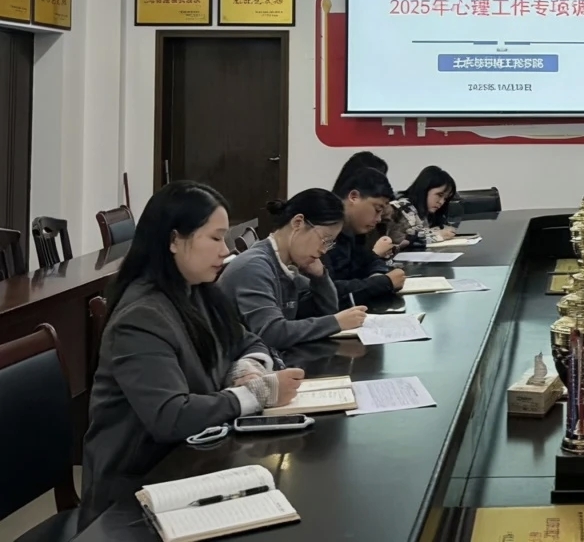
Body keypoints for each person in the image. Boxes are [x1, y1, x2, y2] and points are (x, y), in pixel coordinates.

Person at [80, 182, 305, 527]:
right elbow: (170, 416)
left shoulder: (196, 291)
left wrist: (247, 368)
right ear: (174, 240)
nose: (225, 250)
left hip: (194, 463)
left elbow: (248, 341)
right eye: (215, 238)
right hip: (135, 495)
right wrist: (257, 393)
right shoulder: (141, 317)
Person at [217, 188, 369, 349]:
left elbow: (326, 311)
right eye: (325, 239)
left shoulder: (287, 266)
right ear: (298, 223)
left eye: (329, 244)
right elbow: (271, 334)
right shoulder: (254, 267)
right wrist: (336, 322)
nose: (324, 250)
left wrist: (320, 278)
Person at [325, 167, 403, 303]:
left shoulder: (353, 231)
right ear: (354, 197)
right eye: (377, 209)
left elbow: (370, 260)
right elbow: (327, 290)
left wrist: (377, 274)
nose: (378, 219)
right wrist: (382, 283)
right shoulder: (323, 231)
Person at [386, 165, 458, 246]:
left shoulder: (429, 213)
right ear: (425, 189)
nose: (441, 202)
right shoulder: (402, 208)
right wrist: (439, 235)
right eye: (439, 195)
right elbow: (398, 239)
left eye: (445, 198)